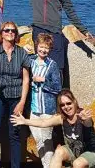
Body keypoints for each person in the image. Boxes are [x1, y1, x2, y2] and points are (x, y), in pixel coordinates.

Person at [11, 89, 95, 168]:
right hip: (73, 152)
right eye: (62, 105)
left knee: (77, 164)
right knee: (59, 151)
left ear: (74, 102)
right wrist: (24, 121)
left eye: (68, 103)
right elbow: (44, 123)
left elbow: (88, 123)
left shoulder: (82, 115)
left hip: (92, 152)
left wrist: (85, 120)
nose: (66, 107)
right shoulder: (62, 118)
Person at [0, 22, 30, 168]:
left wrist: (22, 102)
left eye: (13, 31)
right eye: (7, 30)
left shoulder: (21, 53)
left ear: (16, 34)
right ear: (1, 33)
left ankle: (15, 165)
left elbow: (26, 79)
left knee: (14, 132)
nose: (10, 32)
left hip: (16, 97)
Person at [28, 33, 63, 167]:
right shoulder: (30, 61)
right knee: (38, 140)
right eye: (41, 46)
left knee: (47, 141)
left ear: (50, 49)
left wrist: (43, 80)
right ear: (37, 46)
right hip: (33, 108)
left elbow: (57, 87)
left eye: (46, 48)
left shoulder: (52, 65)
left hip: (47, 109)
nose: (43, 50)